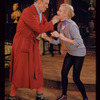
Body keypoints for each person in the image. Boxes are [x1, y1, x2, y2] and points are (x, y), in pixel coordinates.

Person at [9, 0, 60, 100]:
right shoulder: (27, 12)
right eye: (45, 3)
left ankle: (39, 95)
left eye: (48, 4)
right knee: (19, 70)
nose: (47, 6)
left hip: (32, 44)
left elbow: (46, 26)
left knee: (37, 69)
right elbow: (39, 29)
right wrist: (53, 21)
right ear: (39, 2)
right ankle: (12, 96)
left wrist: (55, 35)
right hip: (22, 44)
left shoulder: (40, 13)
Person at [41, 4, 88, 100]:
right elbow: (57, 41)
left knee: (76, 78)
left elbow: (79, 42)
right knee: (63, 73)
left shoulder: (72, 25)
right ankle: (64, 96)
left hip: (79, 53)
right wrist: (46, 37)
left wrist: (63, 37)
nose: (57, 12)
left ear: (65, 14)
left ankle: (85, 97)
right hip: (70, 52)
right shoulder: (60, 25)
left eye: (60, 10)